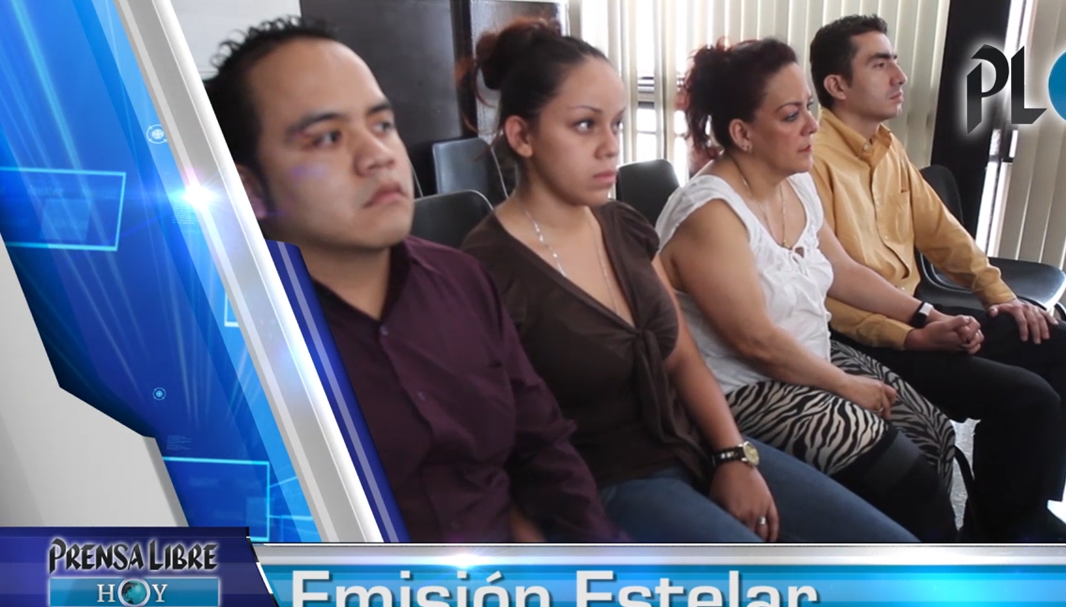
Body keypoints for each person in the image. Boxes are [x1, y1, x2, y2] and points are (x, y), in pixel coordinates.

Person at [456, 18, 917, 544]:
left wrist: (731, 455)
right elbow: (480, 447)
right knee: (780, 582)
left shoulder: (622, 226)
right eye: (585, 125)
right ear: (522, 135)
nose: (610, 146)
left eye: (616, 124)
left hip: (692, 440)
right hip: (608, 480)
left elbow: (681, 356)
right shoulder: (486, 269)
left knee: (894, 550)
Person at [202, 16, 625, 544]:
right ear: (250, 190)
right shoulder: (225, 348)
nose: (378, 156)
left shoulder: (462, 280)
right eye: (327, 138)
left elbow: (544, 447)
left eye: (382, 125)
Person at [808, 14, 1066, 543]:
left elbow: (943, 233)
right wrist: (917, 329)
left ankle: (1022, 514)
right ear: (837, 85)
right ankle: (1004, 536)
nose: (899, 75)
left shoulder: (887, 148)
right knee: (1028, 398)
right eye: (880, 64)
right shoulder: (809, 161)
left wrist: (1001, 297)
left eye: (895, 60)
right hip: (864, 337)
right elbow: (827, 287)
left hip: (915, 315)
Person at [655, 37, 968, 542]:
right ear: (742, 133)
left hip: (809, 356)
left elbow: (841, 270)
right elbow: (755, 341)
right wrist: (843, 384)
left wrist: (925, 316)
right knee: (907, 478)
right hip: (746, 389)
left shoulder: (793, 180)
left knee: (935, 437)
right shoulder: (711, 213)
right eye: (790, 115)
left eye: (808, 106)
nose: (813, 126)